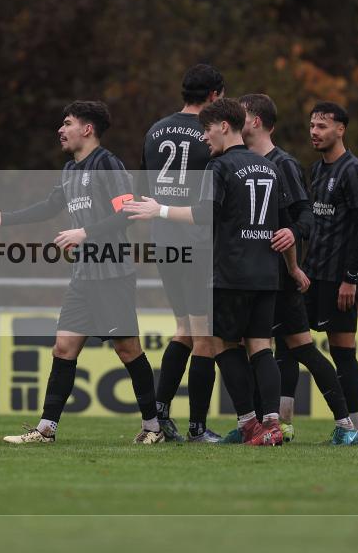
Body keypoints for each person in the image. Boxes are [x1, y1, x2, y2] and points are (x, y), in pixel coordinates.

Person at [0, 101, 164, 444]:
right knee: (63, 347)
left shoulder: (108, 164)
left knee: (127, 350)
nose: (61, 129)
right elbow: (50, 206)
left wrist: (85, 234)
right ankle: (46, 429)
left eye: (67, 123)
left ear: (87, 129)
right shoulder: (70, 170)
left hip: (112, 274)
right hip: (83, 277)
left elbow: (128, 213)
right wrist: (5, 218)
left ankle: (154, 428)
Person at [126, 98, 298, 446]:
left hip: (230, 271)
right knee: (262, 347)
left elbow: (204, 215)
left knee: (219, 344)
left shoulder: (218, 168)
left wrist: (160, 210)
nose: (203, 137)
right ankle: (272, 425)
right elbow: (284, 224)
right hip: (266, 273)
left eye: (207, 129)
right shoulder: (269, 167)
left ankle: (250, 423)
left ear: (224, 126)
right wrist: (291, 267)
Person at [239, 94, 358, 445]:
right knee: (256, 350)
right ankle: (261, 423)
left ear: (256, 121)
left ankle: (345, 424)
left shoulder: (284, 165)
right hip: (248, 276)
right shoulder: (239, 162)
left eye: (241, 115)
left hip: (278, 278)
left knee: (299, 348)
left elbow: (304, 218)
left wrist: (293, 254)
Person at [139, 64, 224, 443]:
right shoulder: (210, 134)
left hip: (163, 239)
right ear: (214, 96)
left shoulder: (155, 130)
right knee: (204, 337)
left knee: (184, 331)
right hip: (198, 241)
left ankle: (158, 415)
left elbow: (146, 187)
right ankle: (197, 429)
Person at [303, 101, 358, 436]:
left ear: (340, 129)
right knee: (289, 344)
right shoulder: (317, 170)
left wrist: (351, 279)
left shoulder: (353, 170)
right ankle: (282, 422)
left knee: (343, 353)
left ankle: (353, 430)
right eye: (312, 125)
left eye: (322, 126)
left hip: (337, 280)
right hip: (310, 275)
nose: (314, 132)